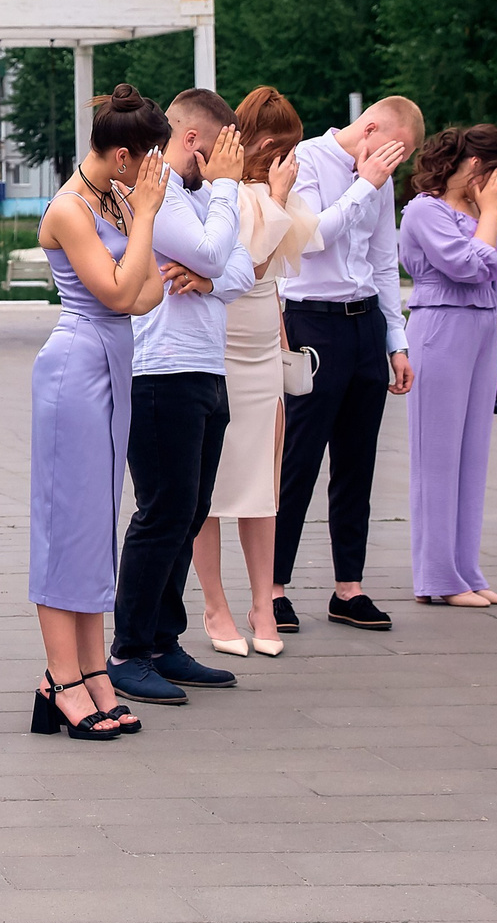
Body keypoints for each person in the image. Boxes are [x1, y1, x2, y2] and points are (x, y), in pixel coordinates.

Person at [26, 85, 165, 742]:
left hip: (112, 361)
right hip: (76, 365)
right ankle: (60, 678)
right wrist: (145, 225)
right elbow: (116, 292)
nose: (153, 177)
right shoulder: (70, 208)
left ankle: (91, 669)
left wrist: (140, 227)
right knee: (65, 524)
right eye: (148, 162)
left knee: (94, 526)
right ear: (119, 154)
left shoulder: (114, 197)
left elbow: (149, 292)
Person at [109, 89, 252, 708]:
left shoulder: (203, 195)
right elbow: (215, 250)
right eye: (222, 151)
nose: (228, 167)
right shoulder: (157, 185)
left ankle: (164, 640)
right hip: (160, 369)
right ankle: (127, 650)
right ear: (195, 141)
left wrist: (212, 279)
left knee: (190, 512)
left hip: (204, 368)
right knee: (163, 510)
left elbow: (244, 267)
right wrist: (224, 195)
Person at [273, 94, 426, 633]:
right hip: (312, 319)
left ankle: (348, 587)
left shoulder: (378, 178)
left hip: (365, 325)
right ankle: (274, 588)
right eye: (391, 153)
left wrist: (396, 339)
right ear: (371, 128)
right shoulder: (307, 159)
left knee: (357, 461)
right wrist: (365, 184)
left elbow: (384, 260)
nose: (392, 166)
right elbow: (310, 238)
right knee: (299, 459)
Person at [194, 88, 321, 659]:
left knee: (262, 484)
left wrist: (284, 345)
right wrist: (274, 196)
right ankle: (216, 605)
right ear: (269, 146)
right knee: (211, 485)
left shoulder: (274, 196)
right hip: (218, 341)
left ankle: (263, 603)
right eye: (285, 148)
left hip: (264, 346)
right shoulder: (226, 194)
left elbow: (277, 280)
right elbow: (248, 266)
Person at [400, 124, 497, 608]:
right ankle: (437, 577)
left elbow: (491, 283)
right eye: (494, 175)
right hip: (441, 327)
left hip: (481, 329)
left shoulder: (472, 211)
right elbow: (468, 266)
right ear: (473, 168)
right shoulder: (425, 209)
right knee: (438, 457)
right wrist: (489, 213)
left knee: (472, 456)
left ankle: (465, 569)